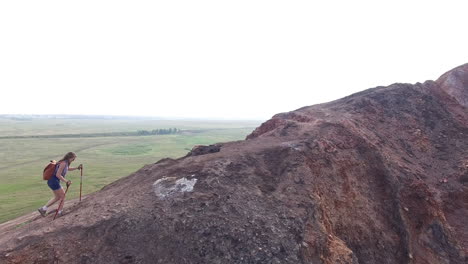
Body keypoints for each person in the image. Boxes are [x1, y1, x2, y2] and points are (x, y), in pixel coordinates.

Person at [38, 152, 82, 217]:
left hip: (52, 181)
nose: (73, 160)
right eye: (73, 159)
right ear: (70, 157)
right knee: (63, 196)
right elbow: (58, 174)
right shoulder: (64, 163)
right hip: (54, 181)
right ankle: (59, 212)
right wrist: (66, 181)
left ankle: (43, 209)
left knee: (57, 197)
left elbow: (67, 169)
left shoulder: (65, 163)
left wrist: (76, 168)